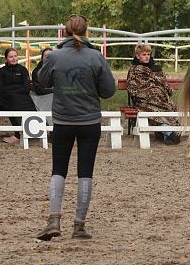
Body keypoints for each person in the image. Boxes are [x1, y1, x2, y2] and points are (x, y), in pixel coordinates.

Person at [36, 15, 116, 241]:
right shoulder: (96, 56)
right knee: (85, 172)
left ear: (65, 31)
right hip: (89, 122)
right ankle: (79, 225)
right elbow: (108, 91)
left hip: (63, 121)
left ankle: (53, 219)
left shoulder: (55, 56)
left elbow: (42, 81)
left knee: (58, 169)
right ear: (86, 31)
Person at [126, 44, 180, 145]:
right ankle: (169, 132)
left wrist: (160, 91)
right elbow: (133, 88)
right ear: (138, 56)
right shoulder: (135, 69)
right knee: (158, 107)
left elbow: (165, 85)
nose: (147, 56)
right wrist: (150, 92)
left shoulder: (156, 68)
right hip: (143, 101)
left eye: (148, 54)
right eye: (144, 54)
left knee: (165, 105)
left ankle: (167, 133)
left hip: (161, 99)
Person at [0, 47, 36, 144]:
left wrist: (13, 91)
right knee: (13, 101)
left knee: (26, 103)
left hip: (22, 96)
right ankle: (18, 134)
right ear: (6, 58)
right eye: (11, 57)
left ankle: (30, 131)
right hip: (8, 97)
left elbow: (26, 88)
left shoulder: (23, 70)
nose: (14, 58)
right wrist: (13, 92)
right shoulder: (2, 71)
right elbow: (1, 88)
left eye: (15, 56)